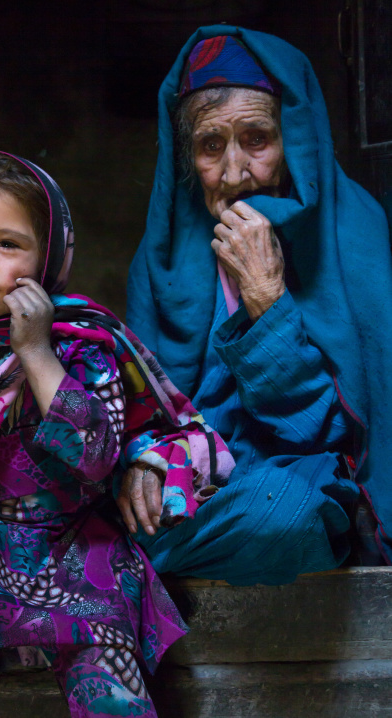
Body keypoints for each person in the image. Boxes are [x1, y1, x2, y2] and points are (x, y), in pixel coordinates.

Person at [0, 150, 235, 717]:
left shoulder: (80, 341)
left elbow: (95, 456)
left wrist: (33, 349)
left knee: (107, 684)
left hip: (75, 546)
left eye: (8, 243)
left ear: (50, 252)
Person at [119, 26, 392, 584]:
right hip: (195, 485)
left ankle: (118, 572)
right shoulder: (164, 258)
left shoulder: (350, 233)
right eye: (211, 146)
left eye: (257, 139)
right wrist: (142, 463)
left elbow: (329, 433)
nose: (236, 171)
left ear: (294, 138)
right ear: (186, 158)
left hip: (302, 478)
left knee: (287, 517)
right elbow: (140, 410)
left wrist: (266, 300)